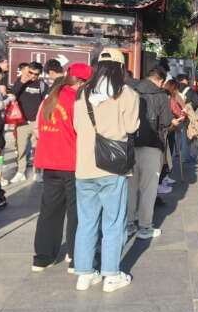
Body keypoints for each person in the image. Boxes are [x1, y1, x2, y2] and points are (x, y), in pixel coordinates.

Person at [73, 48, 139, 293]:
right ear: (121, 68)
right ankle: (111, 275)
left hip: (84, 166)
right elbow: (131, 127)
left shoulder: (82, 92)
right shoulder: (126, 93)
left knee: (86, 222)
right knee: (113, 222)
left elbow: (76, 126)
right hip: (112, 166)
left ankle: (84, 274)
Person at [31, 63, 92, 273]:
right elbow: (84, 132)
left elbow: (38, 129)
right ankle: (74, 256)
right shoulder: (78, 101)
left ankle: (42, 258)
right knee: (76, 212)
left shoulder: (50, 98)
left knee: (49, 210)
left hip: (49, 162)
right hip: (72, 162)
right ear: (82, 82)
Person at [127, 67, 176, 239]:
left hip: (130, 146)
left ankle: (129, 224)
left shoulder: (130, 91)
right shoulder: (161, 95)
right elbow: (166, 122)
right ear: (161, 81)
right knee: (148, 189)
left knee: (130, 188)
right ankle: (144, 227)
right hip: (152, 147)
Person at [9, 61, 48, 183]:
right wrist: (21, 82)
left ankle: (38, 172)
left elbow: (46, 102)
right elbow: (12, 94)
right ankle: (20, 172)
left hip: (37, 122)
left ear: (40, 74)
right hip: (22, 121)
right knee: (21, 149)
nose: (33, 76)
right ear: (27, 70)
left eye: (36, 74)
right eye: (31, 72)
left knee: (38, 149)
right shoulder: (20, 81)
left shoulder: (42, 85)